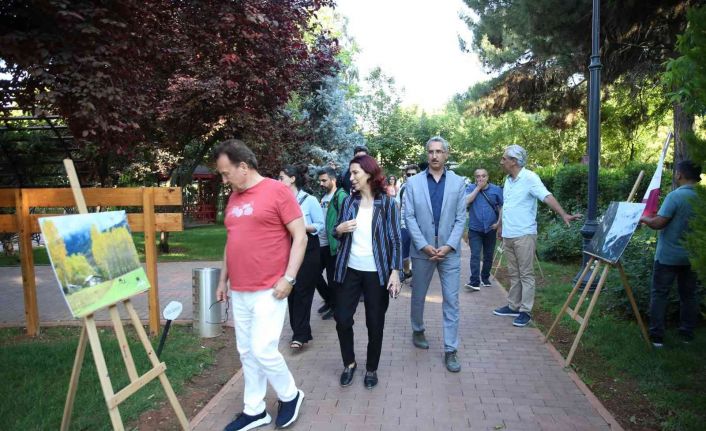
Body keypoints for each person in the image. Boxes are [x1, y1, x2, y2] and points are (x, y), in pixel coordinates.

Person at [214, 139, 305, 431]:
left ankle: (290, 395)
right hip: (240, 289)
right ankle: (254, 410)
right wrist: (223, 279)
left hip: (270, 288)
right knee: (246, 352)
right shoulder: (233, 198)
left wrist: (289, 278)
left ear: (243, 166)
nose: (224, 180)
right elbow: (231, 241)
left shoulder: (277, 191)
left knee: (263, 349)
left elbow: (300, 236)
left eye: (226, 173)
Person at [332, 154, 402, 389]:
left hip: (377, 273)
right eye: (350, 173)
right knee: (342, 319)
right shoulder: (348, 202)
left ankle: (371, 368)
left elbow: (395, 239)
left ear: (370, 174)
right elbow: (336, 232)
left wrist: (395, 271)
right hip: (349, 269)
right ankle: (349, 363)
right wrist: (339, 229)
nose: (351, 177)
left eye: (355, 173)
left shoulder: (388, 204)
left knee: (375, 323)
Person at [492, 145, 581, 327]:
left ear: (514, 161)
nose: (501, 161)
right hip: (509, 234)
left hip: (524, 234)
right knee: (514, 272)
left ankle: (525, 311)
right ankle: (513, 306)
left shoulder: (530, 177)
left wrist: (563, 214)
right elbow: (507, 206)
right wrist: (501, 226)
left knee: (526, 273)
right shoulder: (508, 180)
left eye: (504, 158)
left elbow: (546, 196)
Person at [404, 136, 467, 373]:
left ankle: (451, 349)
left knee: (451, 300)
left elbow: (461, 218)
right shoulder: (413, 183)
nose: (434, 155)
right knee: (418, 295)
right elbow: (409, 217)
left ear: (446, 154)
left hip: (449, 252)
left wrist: (449, 245)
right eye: (431, 151)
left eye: (439, 151)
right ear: (426, 154)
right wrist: (423, 245)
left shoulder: (458, 183)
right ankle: (418, 329)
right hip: (423, 251)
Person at [640, 160, 702, 347]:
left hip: (668, 257)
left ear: (680, 174)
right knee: (689, 295)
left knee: (660, 294)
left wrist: (644, 218)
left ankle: (657, 337)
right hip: (692, 257)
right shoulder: (702, 197)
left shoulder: (675, 196)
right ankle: (687, 334)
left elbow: (659, 223)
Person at [279, 164, 325, 350]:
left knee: (303, 292)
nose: (278, 181)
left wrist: (300, 227)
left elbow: (320, 224)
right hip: (287, 247)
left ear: (292, 179)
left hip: (308, 247)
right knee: (290, 290)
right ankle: (297, 331)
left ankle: (300, 335)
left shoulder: (310, 200)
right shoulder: (280, 200)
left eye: (281, 177)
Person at [315, 166, 348, 320]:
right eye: (320, 181)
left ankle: (335, 307)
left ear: (333, 180)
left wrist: (340, 240)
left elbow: (346, 218)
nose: (321, 183)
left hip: (333, 245)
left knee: (332, 278)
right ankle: (329, 300)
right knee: (314, 274)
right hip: (321, 243)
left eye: (324, 180)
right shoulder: (324, 197)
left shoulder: (340, 196)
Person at [464, 168, 503, 291]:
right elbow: (466, 201)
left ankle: (485, 277)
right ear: (475, 178)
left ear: (488, 177)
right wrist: (478, 188)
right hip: (475, 228)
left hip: (491, 228)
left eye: (483, 176)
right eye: (478, 176)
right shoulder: (470, 188)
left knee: (488, 255)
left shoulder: (496, 189)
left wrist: (499, 224)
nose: (481, 178)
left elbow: (501, 207)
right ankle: (474, 281)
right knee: (475, 255)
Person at [396, 164, 419, 280]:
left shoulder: (422, 188)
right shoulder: (403, 188)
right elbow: (398, 205)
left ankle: (417, 277)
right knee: (404, 252)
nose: (410, 177)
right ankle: (406, 271)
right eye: (408, 174)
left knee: (418, 253)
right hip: (404, 225)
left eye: (413, 174)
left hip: (419, 227)